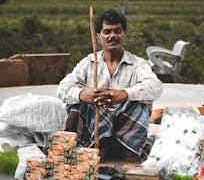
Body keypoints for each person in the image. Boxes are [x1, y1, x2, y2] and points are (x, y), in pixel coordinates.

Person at [57, 9, 163, 161]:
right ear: (98, 38)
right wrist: (83, 94)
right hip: (94, 129)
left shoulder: (137, 63)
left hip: (124, 130)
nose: (113, 36)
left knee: (139, 103)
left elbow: (156, 87)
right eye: (107, 32)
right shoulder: (88, 62)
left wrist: (125, 94)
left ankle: (127, 151)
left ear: (123, 35)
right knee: (76, 103)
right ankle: (91, 149)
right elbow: (62, 89)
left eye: (117, 31)